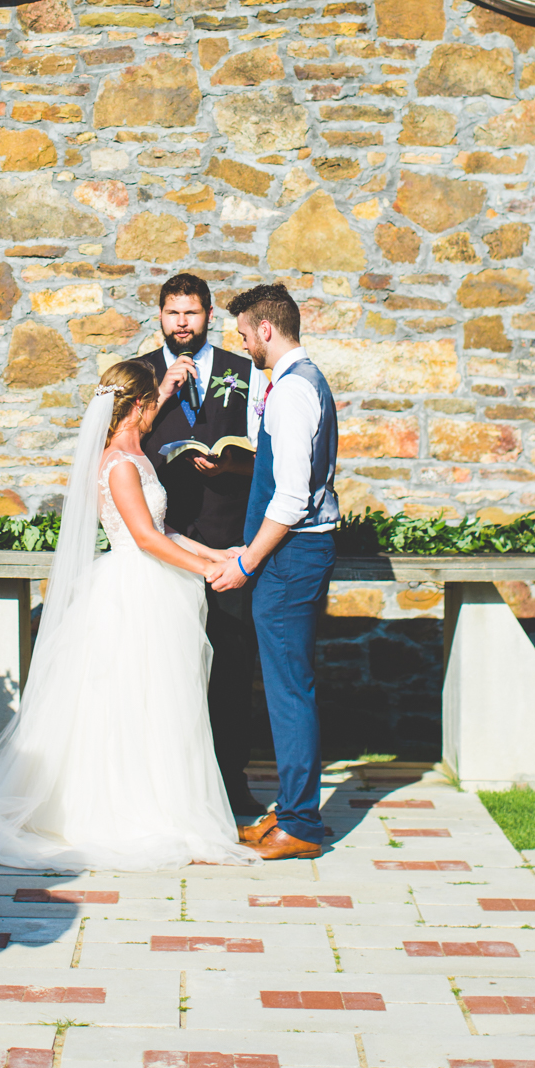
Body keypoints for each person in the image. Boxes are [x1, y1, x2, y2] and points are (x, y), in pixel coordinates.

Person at [0, 360, 253, 869]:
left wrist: (220, 555)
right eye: (153, 402)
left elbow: (164, 531)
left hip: (152, 587)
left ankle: (161, 801)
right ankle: (123, 810)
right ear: (137, 406)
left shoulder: (138, 455)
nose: (157, 410)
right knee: (129, 703)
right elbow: (143, 538)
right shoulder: (117, 463)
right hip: (133, 592)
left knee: (158, 701)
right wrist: (206, 570)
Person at [208, 283, 340, 863]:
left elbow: (290, 498)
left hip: (291, 559)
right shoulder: (293, 383)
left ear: (266, 329)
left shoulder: (292, 392)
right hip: (294, 555)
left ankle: (302, 825)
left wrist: (245, 559)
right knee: (289, 686)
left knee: (289, 691)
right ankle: (292, 809)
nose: (241, 344)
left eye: (243, 333)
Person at [133, 273, 263, 818]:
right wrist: (161, 398)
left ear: (208, 315)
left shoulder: (244, 370)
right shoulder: (139, 373)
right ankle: (169, 785)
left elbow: (265, 447)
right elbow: (118, 439)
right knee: (168, 667)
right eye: (172, 313)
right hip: (166, 540)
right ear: (160, 317)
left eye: (191, 312)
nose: (181, 322)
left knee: (230, 668)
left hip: (229, 541)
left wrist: (233, 462)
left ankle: (231, 783)